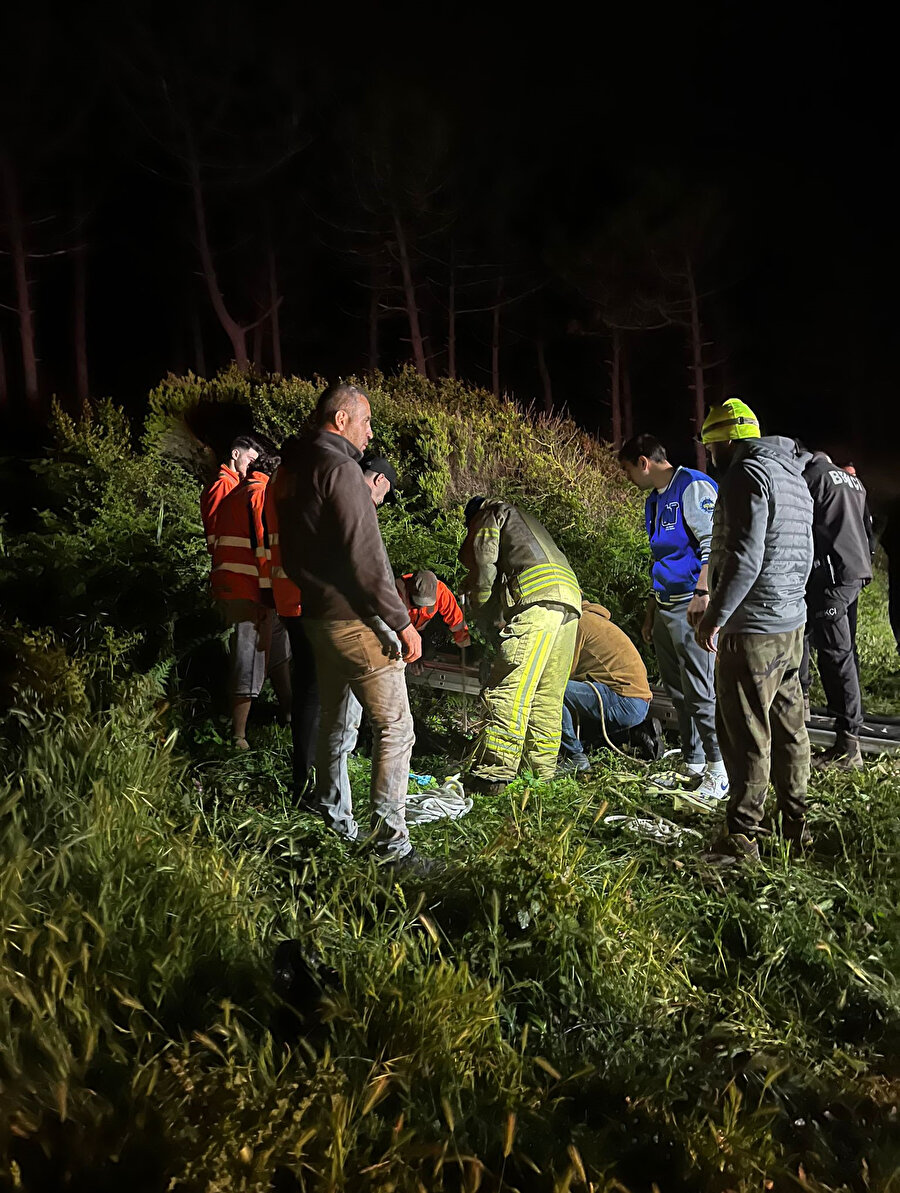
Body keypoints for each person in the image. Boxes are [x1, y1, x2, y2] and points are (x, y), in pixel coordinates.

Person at [276, 382, 430, 871]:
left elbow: (288, 552)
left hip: (317, 615)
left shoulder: (293, 469)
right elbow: (368, 560)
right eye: (365, 422)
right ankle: (391, 846)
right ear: (341, 419)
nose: (369, 434)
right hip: (354, 619)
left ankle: (333, 821)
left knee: (338, 725)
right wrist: (402, 622)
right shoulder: (341, 469)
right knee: (396, 727)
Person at [695, 398, 814, 862]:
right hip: (791, 625)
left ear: (726, 440)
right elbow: (802, 550)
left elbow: (745, 557)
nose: (710, 457)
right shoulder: (793, 476)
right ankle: (796, 829)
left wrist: (715, 616)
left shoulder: (747, 475)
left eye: (711, 447)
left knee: (747, 734)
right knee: (791, 730)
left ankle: (742, 839)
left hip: (754, 629)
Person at [618, 433, 727, 801]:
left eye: (629, 470)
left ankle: (720, 768)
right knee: (678, 690)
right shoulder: (653, 502)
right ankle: (695, 763)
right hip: (665, 604)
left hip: (691, 604)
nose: (629, 478)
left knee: (701, 689)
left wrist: (703, 593)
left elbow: (714, 542)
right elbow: (660, 559)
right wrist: (650, 612)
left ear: (644, 462)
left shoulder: (693, 486)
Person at [458, 496, 581, 795]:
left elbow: (484, 567)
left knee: (510, 689)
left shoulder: (490, 515)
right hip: (571, 603)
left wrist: (482, 613)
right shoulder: (525, 520)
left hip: (536, 601)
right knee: (546, 695)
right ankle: (539, 777)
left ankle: (493, 774)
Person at [210, 453, 292, 748]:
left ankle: (288, 713)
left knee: (279, 646)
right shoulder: (259, 493)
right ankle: (239, 736)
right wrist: (269, 593)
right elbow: (263, 545)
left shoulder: (238, 492)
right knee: (250, 657)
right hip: (249, 591)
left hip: (230, 586)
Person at [798, 449, 873, 768]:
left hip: (830, 575)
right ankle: (804, 711)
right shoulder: (855, 484)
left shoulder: (812, 479)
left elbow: (801, 529)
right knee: (831, 645)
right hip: (854, 570)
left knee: (835, 656)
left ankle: (848, 745)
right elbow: (868, 527)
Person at [265, 461, 319, 803]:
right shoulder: (305, 478)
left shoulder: (278, 480)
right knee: (314, 692)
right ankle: (307, 783)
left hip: (287, 598)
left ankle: (304, 776)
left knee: (305, 690)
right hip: (308, 600)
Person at [557, 601, 652, 776]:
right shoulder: (596, 621)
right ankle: (582, 747)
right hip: (638, 702)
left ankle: (575, 756)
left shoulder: (579, 624)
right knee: (570, 693)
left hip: (624, 701)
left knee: (552, 691)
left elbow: (564, 671)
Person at [200, 435, 261, 551]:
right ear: (235, 454)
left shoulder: (233, 483)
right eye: (250, 460)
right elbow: (214, 525)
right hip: (227, 554)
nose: (251, 465)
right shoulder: (224, 484)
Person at [396, 570, 471, 650]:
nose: (421, 607)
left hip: (422, 629)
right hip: (397, 631)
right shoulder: (396, 592)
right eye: (417, 603)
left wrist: (465, 646)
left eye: (425, 604)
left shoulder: (440, 591)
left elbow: (456, 620)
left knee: (431, 646)